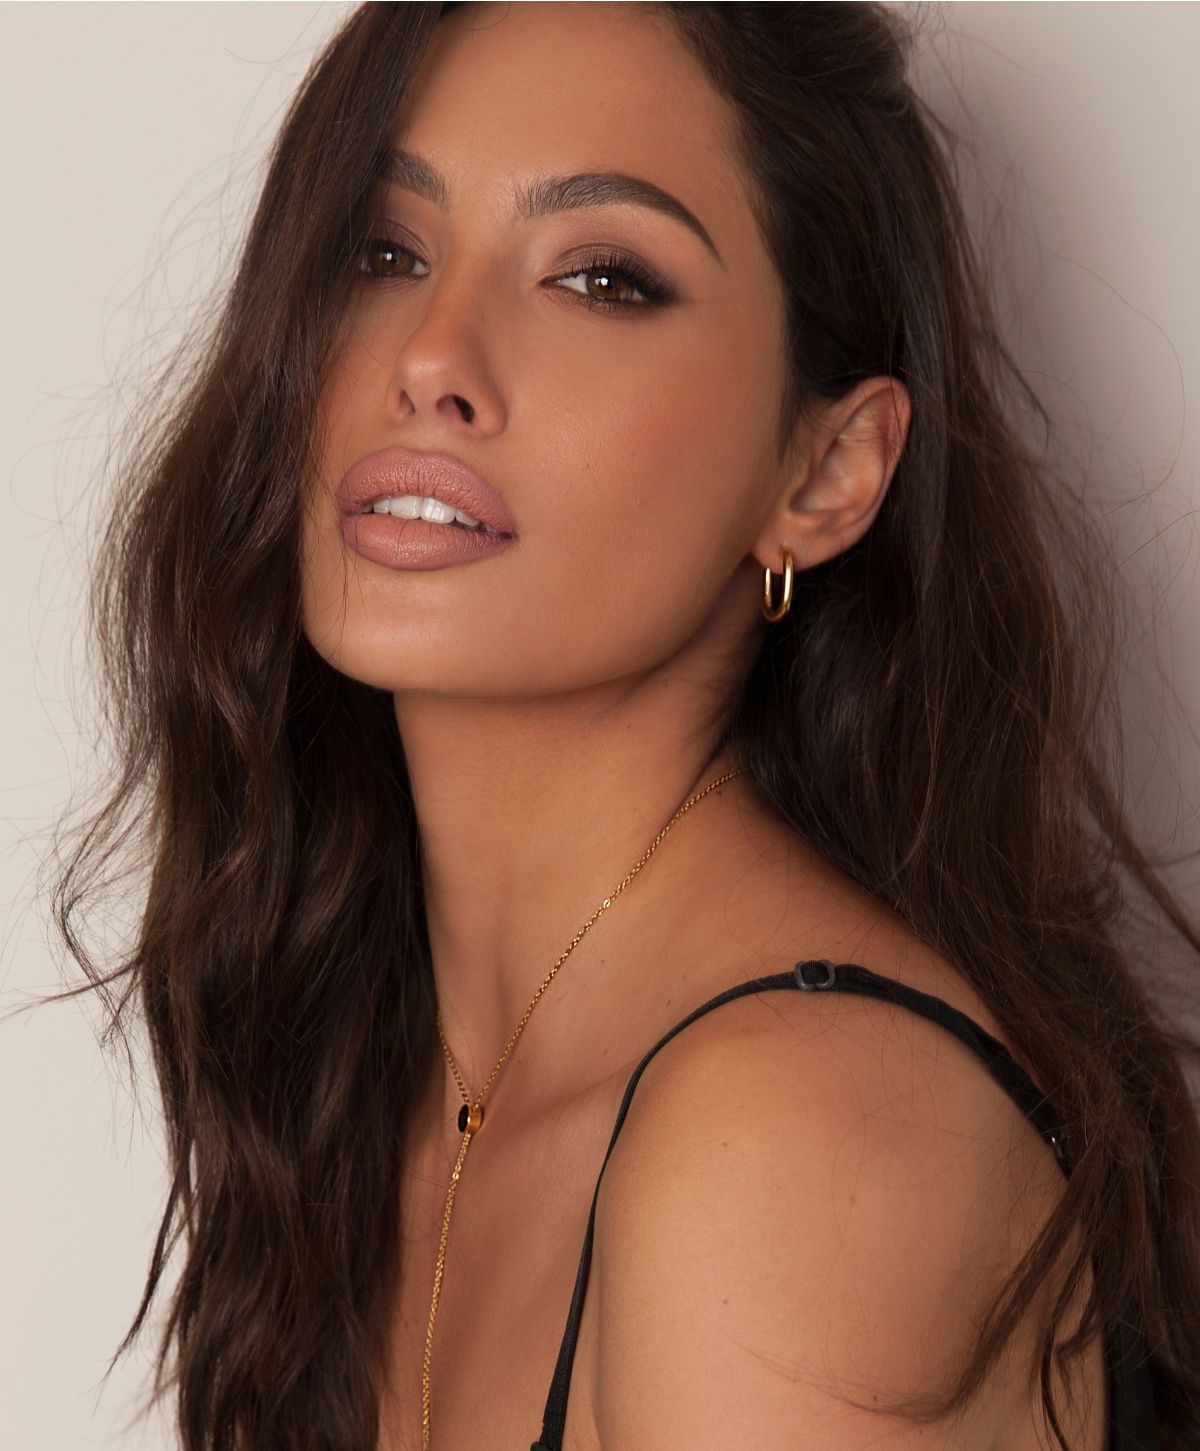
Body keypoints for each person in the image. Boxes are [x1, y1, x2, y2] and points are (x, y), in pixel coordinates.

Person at [47, 3, 1199, 1449]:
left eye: (601, 278)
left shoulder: (793, 1136)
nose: (431, 355)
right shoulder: (373, 1077)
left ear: (827, 472)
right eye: (383, 251)